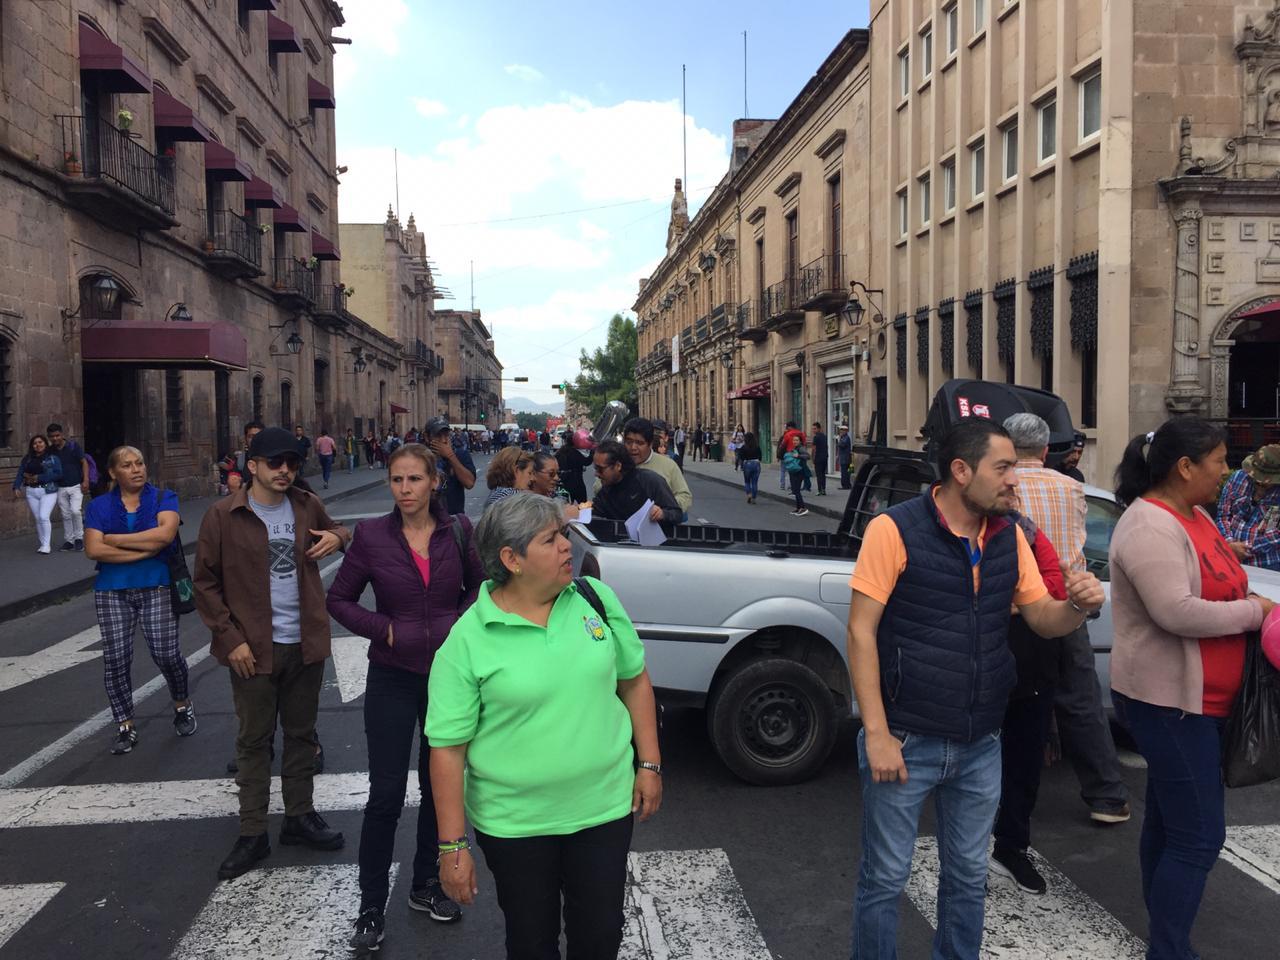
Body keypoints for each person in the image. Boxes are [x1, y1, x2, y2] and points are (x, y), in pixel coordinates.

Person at [846, 418, 1105, 960]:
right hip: (905, 738)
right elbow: (861, 630)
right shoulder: (893, 530)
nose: (1016, 480)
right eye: (1004, 468)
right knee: (886, 879)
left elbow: (1041, 618)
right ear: (961, 471)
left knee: (966, 878)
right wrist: (876, 733)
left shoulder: (1010, 535)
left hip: (982, 741)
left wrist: (1079, 604)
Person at [427, 492, 662, 960]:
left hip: (602, 809)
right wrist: (452, 846)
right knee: (531, 943)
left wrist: (650, 764)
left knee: (600, 938)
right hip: (516, 825)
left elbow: (634, 680)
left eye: (563, 534)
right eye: (551, 539)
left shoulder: (594, 599)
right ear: (511, 559)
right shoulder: (469, 639)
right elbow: (447, 750)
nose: (566, 546)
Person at [1110, 418, 1273, 960]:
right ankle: (1170, 949)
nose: (1227, 473)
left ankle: (1164, 933)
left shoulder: (1194, 515)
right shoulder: (1148, 526)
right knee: (1199, 836)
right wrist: (1255, 612)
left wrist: (1235, 565)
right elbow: (1175, 612)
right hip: (1172, 705)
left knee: (1168, 819)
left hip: (1203, 702)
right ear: (1184, 468)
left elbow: (1208, 572)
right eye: (1219, 461)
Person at [327, 443, 485, 953]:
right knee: (385, 795)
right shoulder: (372, 536)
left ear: (434, 481)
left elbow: (480, 589)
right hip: (392, 676)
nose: (405, 489)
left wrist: (453, 623)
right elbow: (339, 599)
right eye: (397, 480)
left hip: (446, 678)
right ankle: (370, 904)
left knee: (440, 787)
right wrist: (384, 630)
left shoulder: (458, 530)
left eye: (415, 479)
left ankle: (425, 884)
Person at [194, 426, 351, 881]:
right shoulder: (223, 515)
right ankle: (253, 832)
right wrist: (230, 639)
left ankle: (300, 817)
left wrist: (339, 538)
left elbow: (339, 527)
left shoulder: (305, 505)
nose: (285, 470)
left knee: (302, 735)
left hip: (304, 642)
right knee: (254, 740)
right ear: (253, 466)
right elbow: (205, 583)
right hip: (252, 649)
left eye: (293, 463)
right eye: (276, 463)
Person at [1003, 414, 1130, 829]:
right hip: (1069, 604)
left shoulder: (1002, 487)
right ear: (1045, 450)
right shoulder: (1072, 487)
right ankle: (1107, 797)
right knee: (1082, 702)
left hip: (1019, 608)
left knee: (1012, 703)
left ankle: (1007, 798)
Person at [83, 446, 195, 754]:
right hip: (111, 591)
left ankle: (182, 704)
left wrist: (115, 539)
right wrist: (144, 549)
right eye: (128, 465)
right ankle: (125, 725)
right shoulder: (99, 506)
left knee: (167, 654)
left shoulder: (163, 498)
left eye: (140, 463)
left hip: (156, 586)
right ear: (113, 473)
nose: (136, 469)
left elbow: (164, 535)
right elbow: (93, 550)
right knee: (116, 660)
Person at [602, 418, 692, 519]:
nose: (633, 447)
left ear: (650, 444)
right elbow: (599, 490)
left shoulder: (669, 465)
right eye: (629, 442)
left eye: (639, 443)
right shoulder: (615, 463)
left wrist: (663, 510)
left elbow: (684, 496)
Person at [1217, 442, 1280, 569]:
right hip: (1229, 553)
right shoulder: (1238, 478)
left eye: (1267, 481)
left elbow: (1277, 534)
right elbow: (1222, 515)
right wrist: (1229, 545)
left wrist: (1245, 548)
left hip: (1267, 561)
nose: (1260, 482)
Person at [592, 440, 682, 528]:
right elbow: (595, 512)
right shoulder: (606, 491)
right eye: (595, 468)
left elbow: (677, 514)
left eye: (600, 469)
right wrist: (580, 512)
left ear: (618, 466)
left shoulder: (649, 481)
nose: (596, 474)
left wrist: (662, 514)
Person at [12, 434, 62, 554]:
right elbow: (20, 473)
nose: (38, 445)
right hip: (31, 491)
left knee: (44, 516)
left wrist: (39, 477)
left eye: (40, 442)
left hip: (48, 491)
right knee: (38, 518)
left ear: (45, 443)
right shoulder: (27, 458)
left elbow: (59, 474)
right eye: (35, 443)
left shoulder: (53, 458)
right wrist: (16, 486)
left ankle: (46, 545)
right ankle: (42, 543)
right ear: (32, 446)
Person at [46, 422, 89, 551]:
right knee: (65, 514)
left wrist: (85, 479)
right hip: (60, 486)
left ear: (62, 434)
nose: (55, 439)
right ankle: (69, 540)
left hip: (75, 484)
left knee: (75, 511)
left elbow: (84, 462)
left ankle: (79, 538)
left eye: (57, 435)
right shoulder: (50, 451)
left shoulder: (72, 446)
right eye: (52, 436)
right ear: (49, 437)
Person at [424, 417, 476, 515]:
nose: (443, 440)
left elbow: (469, 483)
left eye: (446, 435)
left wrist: (450, 456)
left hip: (453, 517)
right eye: (438, 436)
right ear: (427, 437)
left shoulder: (460, 454)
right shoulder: (420, 457)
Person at [529, 450, 583, 520]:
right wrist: (564, 516)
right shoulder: (525, 505)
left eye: (558, 473)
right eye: (551, 474)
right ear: (533, 474)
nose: (557, 478)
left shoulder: (560, 495)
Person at [779, 421, 809, 517]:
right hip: (793, 470)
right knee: (795, 490)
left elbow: (808, 456)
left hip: (799, 470)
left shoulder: (800, 448)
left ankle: (803, 508)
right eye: (794, 440)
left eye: (797, 440)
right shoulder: (794, 448)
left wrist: (798, 456)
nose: (795, 442)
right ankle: (798, 507)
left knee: (796, 490)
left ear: (800, 441)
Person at [556, 429, 594, 504]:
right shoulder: (574, 453)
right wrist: (592, 452)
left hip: (563, 483)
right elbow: (586, 462)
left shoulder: (559, 452)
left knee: (564, 507)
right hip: (577, 483)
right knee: (584, 506)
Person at [739, 432, 762, 504]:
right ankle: (754, 498)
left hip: (747, 464)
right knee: (754, 482)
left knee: (747, 481)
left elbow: (741, 457)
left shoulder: (744, 447)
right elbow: (760, 456)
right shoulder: (757, 446)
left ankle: (749, 494)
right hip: (756, 463)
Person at [811, 422, 829, 496]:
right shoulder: (825, 436)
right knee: (823, 474)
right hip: (825, 457)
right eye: (813, 429)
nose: (813, 430)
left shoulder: (816, 437)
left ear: (819, 429)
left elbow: (814, 449)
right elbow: (827, 446)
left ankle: (819, 490)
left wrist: (813, 458)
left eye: (815, 429)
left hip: (818, 458)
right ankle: (824, 489)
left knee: (819, 475)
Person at [837, 424, 854, 490]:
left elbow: (841, 445)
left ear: (846, 431)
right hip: (845, 458)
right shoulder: (844, 437)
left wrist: (839, 439)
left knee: (845, 472)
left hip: (845, 459)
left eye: (842, 430)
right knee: (846, 472)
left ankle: (845, 485)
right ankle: (847, 485)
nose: (841, 432)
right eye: (840, 430)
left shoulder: (846, 438)